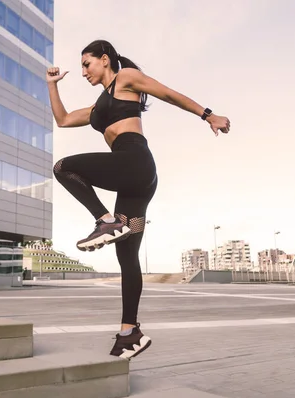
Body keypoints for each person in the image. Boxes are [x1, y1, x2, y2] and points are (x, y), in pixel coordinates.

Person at [47, 39, 230, 360]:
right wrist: (52, 86)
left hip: (135, 162)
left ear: (105, 60)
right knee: (127, 254)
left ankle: (106, 221)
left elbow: (170, 94)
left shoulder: (126, 78)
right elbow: (62, 120)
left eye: (86, 65)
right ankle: (129, 333)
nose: (83, 72)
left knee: (64, 167)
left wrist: (209, 115)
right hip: (135, 182)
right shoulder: (96, 108)